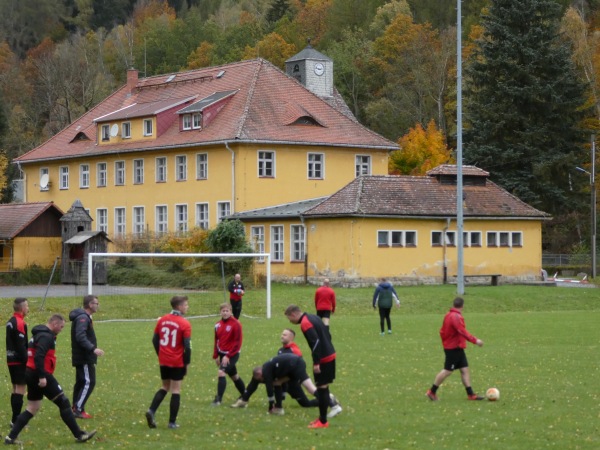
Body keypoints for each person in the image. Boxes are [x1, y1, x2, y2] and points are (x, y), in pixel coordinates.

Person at [4, 314, 96, 445]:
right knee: (63, 402)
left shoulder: (38, 333)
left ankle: (10, 438)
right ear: (54, 324)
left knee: (32, 407)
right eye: (61, 327)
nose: (61, 329)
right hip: (40, 374)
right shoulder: (46, 337)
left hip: (29, 373)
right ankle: (79, 435)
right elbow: (39, 356)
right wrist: (42, 377)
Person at [285, 304, 336, 429]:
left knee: (322, 388)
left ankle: (323, 421)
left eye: (289, 318)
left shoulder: (305, 323)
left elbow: (315, 343)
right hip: (330, 354)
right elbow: (327, 334)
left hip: (324, 358)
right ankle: (322, 418)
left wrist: (317, 362)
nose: (290, 321)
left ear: (293, 314)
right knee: (323, 387)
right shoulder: (314, 317)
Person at [146, 296, 192, 429]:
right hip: (176, 361)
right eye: (185, 305)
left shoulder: (163, 319)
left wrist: (160, 354)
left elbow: (155, 340)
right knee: (176, 389)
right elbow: (187, 346)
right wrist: (187, 363)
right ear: (179, 307)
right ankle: (172, 422)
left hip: (164, 360)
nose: (187, 307)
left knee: (165, 386)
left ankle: (151, 411)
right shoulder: (185, 323)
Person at [426, 297, 485, 401]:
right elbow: (462, 331)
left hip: (457, 347)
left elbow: (442, 331)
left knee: (464, 369)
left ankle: (471, 394)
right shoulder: (455, 317)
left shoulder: (448, 315)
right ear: (462, 306)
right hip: (453, 348)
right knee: (447, 371)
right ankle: (432, 391)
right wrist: (476, 341)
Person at [69, 295, 104, 419]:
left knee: (81, 382)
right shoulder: (83, 318)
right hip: (84, 356)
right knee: (89, 381)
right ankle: (78, 409)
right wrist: (93, 348)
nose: (97, 305)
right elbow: (80, 336)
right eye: (96, 303)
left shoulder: (83, 317)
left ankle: (75, 407)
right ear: (90, 305)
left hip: (82, 355)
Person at [212, 303, 246, 405]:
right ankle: (245, 395)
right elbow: (216, 340)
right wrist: (216, 356)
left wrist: (228, 356)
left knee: (221, 372)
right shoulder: (217, 325)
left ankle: (218, 399)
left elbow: (238, 342)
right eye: (223, 311)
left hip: (232, 354)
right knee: (234, 376)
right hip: (222, 354)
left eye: (227, 311)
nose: (225, 313)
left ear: (231, 312)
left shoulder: (236, 324)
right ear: (220, 312)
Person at [5, 297, 29, 426]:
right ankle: (16, 420)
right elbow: (21, 346)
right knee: (20, 389)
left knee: (15, 388)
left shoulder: (10, 321)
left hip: (10, 359)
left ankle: (14, 419)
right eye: (27, 306)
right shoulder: (20, 323)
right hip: (19, 361)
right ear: (22, 308)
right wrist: (27, 361)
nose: (28, 308)